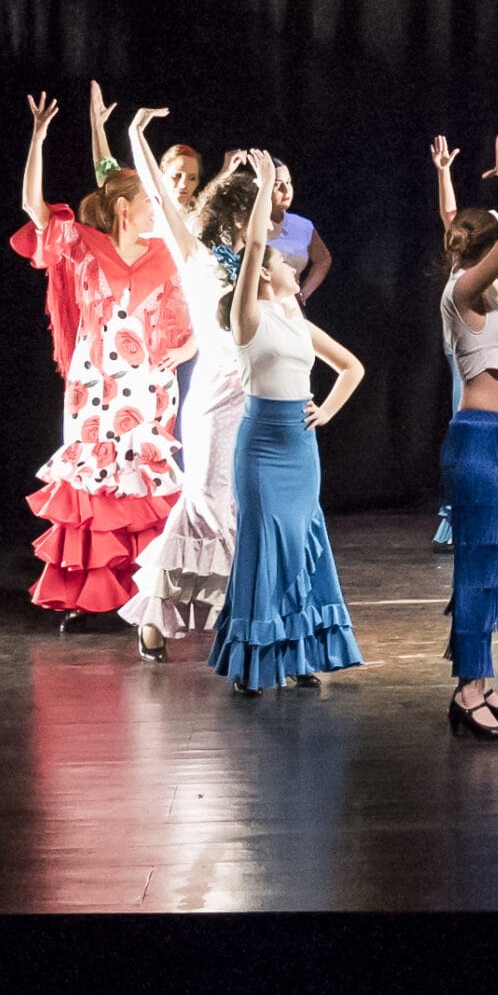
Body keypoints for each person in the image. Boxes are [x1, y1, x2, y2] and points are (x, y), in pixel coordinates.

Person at [13, 91, 192, 624]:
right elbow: (34, 208)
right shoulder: (84, 244)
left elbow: (204, 316)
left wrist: (183, 350)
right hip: (96, 384)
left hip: (150, 384)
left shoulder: (167, 252)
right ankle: (90, 594)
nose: (156, 210)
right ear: (123, 209)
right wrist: (39, 137)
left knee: (142, 479)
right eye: (148, 204)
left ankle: (150, 593)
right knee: (96, 478)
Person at [209, 147, 366, 694]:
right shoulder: (246, 317)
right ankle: (253, 663)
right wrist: (264, 186)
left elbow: (352, 367)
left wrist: (325, 412)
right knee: (264, 549)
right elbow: (255, 243)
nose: (289, 264)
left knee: (299, 547)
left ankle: (299, 654)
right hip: (261, 447)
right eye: (282, 262)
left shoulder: (295, 316)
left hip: (301, 447)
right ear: (262, 273)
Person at [117, 111, 258, 659]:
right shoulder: (195, 252)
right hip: (214, 398)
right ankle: (155, 616)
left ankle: (242, 618)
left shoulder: (245, 263)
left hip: (253, 395)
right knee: (205, 505)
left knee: (240, 509)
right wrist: (136, 135)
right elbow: (157, 190)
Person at [437, 134, 498, 740]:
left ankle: (481, 680)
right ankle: (466, 690)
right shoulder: (462, 292)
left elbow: (457, 227)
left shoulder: (483, 290)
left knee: (490, 566)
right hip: (477, 440)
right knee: (477, 566)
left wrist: (445, 182)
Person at [267, 161, 332, 305]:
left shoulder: (301, 226)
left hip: (291, 305)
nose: (286, 189)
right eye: (277, 184)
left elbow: (323, 259)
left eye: (288, 182)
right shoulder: (249, 225)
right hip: (260, 303)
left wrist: (303, 293)